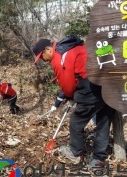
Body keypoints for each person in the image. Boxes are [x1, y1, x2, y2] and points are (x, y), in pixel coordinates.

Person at [33, 35, 116, 168]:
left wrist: (70, 95)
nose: (43, 60)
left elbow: (68, 85)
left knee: (76, 122)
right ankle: (98, 159)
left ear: (48, 50)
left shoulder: (59, 57)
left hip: (92, 87)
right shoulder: (73, 47)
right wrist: (68, 95)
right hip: (109, 82)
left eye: (42, 57)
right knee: (103, 121)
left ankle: (76, 153)